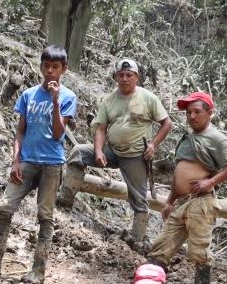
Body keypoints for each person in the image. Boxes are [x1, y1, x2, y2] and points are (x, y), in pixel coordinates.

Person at [0, 46, 77, 284]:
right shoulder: (28, 95)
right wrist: (15, 160)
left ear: (64, 69)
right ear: (41, 66)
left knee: (45, 216)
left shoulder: (68, 97)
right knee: (5, 207)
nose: (50, 71)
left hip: (52, 164)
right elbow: (20, 131)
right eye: (46, 66)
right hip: (26, 161)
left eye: (55, 67)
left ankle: (38, 271)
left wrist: (55, 101)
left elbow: (58, 134)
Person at [147, 91, 227, 284]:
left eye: (197, 112)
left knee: (199, 250)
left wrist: (211, 181)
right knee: (161, 246)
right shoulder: (187, 139)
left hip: (202, 202)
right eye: (188, 112)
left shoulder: (216, 138)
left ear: (210, 113)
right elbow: (179, 173)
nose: (191, 116)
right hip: (181, 201)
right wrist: (170, 201)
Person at [64, 58, 171, 248]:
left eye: (129, 75)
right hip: (112, 150)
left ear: (136, 77)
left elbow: (166, 123)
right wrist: (98, 151)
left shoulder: (148, 98)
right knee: (79, 152)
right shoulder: (110, 99)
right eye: (121, 75)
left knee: (139, 199)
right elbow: (100, 128)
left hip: (136, 155)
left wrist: (153, 144)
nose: (125, 79)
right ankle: (64, 200)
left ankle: (137, 239)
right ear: (116, 77)